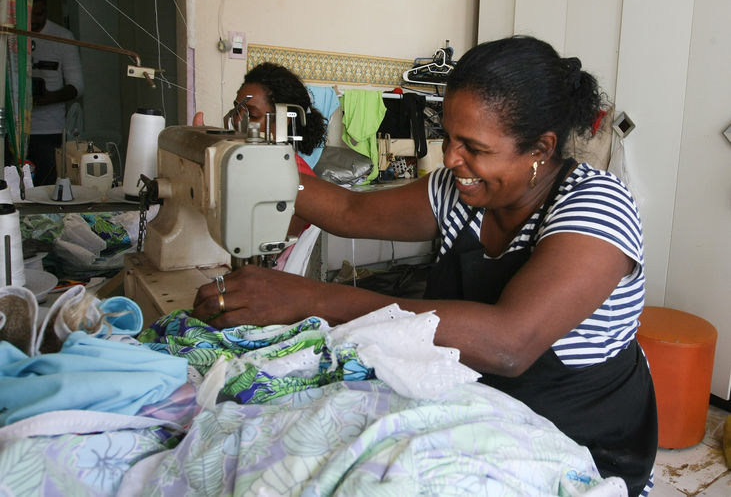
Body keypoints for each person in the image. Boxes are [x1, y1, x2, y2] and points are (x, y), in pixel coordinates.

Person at [192, 36, 657, 495]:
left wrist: (312, 299)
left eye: (474, 147)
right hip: (479, 412)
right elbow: (351, 213)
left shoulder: (597, 205)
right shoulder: (460, 190)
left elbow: (507, 343)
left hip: (583, 444)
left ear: (540, 148)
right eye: (449, 138)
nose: (450, 159)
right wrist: (246, 160)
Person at [193, 62, 327, 238]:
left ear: (283, 120)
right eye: (236, 109)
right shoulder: (238, 159)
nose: (237, 120)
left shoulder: (297, 176)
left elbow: (272, 247)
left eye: (252, 115)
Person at [26, 0, 83, 185]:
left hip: (49, 130)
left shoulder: (63, 37)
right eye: (30, 14)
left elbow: (77, 86)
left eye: (39, 14)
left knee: (48, 186)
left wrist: (51, 97)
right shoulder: (11, 35)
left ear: (47, 9)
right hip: (12, 130)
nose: (33, 20)